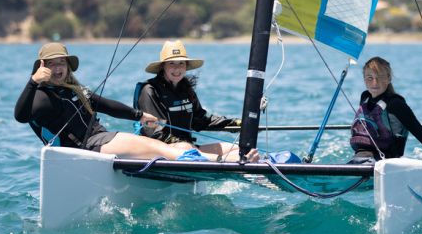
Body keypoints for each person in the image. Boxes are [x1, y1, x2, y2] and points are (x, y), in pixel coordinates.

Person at [15, 42, 257, 162]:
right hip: (84, 150)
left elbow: (106, 104)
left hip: (98, 140)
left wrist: (138, 116)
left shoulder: (75, 90)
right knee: (172, 150)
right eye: (52, 63)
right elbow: (21, 116)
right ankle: (232, 161)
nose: (58, 67)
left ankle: (245, 158)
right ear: (42, 67)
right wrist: (32, 82)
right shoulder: (41, 95)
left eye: (62, 63)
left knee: (177, 150)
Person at [136, 40, 241, 157]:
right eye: (171, 63)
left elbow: (200, 122)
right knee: (186, 147)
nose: (177, 68)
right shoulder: (150, 90)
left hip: (187, 148)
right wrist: (183, 145)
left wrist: (236, 124)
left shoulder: (186, 90)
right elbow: (154, 133)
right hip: (159, 151)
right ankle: (220, 162)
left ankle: (236, 167)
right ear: (162, 66)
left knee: (236, 149)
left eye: (181, 63)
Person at [348, 57, 422, 166]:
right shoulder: (365, 97)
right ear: (364, 79)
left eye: (380, 77)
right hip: (358, 159)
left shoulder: (395, 104)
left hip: (383, 163)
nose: (375, 82)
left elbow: (421, 134)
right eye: (370, 77)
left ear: (389, 78)